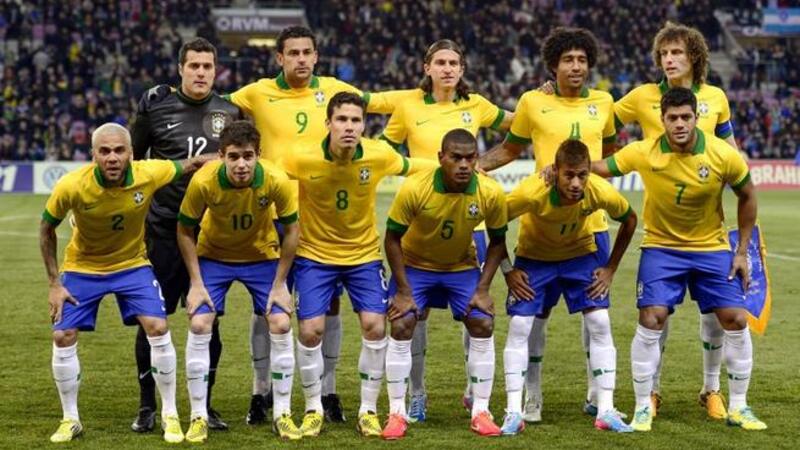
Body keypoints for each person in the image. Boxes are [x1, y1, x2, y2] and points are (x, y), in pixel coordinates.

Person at [227, 26, 410, 423]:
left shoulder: (334, 90)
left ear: (316, 56)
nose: (301, 59)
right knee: (268, 305)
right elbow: (212, 103)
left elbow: (382, 101)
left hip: (318, 220)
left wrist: (429, 90)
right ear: (279, 58)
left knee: (329, 307)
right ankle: (261, 390)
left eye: (307, 52)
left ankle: (328, 392)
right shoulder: (256, 92)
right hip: (271, 216)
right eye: (292, 53)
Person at [592, 87, 765, 432]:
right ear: (663, 120)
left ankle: (739, 406)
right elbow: (601, 167)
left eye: (686, 117)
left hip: (711, 248)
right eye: (673, 118)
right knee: (651, 317)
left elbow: (747, 194)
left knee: (735, 319)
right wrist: (560, 165)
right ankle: (643, 406)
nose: (680, 124)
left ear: (696, 117)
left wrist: (742, 251)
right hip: (661, 248)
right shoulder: (643, 151)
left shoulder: (722, 154)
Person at [478, 27, 616, 422]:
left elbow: (609, 154)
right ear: (553, 65)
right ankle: (532, 395)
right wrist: (476, 166)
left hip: (592, 224)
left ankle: (596, 393)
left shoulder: (604, 102)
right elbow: (510, 148)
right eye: (567, 60)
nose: (576, 67)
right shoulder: (532, 101)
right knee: (535, 317)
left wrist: (588, 177)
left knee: (595, 311)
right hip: (541, 221)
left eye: (582, 60)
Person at [41, 123, 210, 443]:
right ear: (93, 155)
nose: (112, 157)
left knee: (158, 327)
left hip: (132, 266)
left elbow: (192, 163)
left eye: (119, 150)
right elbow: (46, 228)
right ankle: (70, 419)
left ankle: (170, 414)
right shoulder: (72, 185)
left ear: (131, 154)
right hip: (82, 267)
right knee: (62, 335)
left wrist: (232, 157)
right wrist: (54, 283)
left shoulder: (149, 173)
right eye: (104, 151)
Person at [283, 92, 436, 438]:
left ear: (364, 125)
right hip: (314, 257)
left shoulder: (378, 154)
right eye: (342, 120)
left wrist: (467, 167)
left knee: (375, 327)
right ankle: (313, 409)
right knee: (310, 331)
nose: (349, 127)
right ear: (328, 124)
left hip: (363, 257)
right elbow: (267, 173)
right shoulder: (301, 157)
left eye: (355, 120)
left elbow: (414, 166)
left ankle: (368, 410)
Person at [380, 39, 514, 420]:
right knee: (414, 316)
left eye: (454, 62)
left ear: (462, 69)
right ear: (427, 68)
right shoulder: (408, 106)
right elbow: (385, 152)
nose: (447, 69)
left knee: (472, 309)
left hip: (469, 220)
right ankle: (417, 392)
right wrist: (415, 170)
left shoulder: (477, 105)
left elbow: (519, 126)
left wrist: (483, 164)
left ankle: (474, 389)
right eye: (440, 62)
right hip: (421, 216)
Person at [613, 22, 740, 418]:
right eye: (664, 54)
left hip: (708, 230)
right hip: (662, 230)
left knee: (714, 312)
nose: (668, 60)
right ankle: (652, 391)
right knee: (657, 312)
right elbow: (599, 122)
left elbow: (732, 154)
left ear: (694, 57)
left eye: (677, 53)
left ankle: (711, 389)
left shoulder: (716, 98)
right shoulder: (642, 96)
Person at [130, 36, 241, 433]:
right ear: (180, 69)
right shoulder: (155, 107)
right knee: (152, 320)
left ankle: (204, 405)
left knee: (208, 322)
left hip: (210, 236)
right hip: (162, 230)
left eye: (207, 66)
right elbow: (134, 164)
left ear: (216, 70)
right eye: (194, 65)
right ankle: (147, 406)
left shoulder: (230, 111)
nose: (201, 72)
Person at [500, 139, 637, 435]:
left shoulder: (598, 190)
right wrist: (508, 270)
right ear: (555, 171)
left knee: (600, 321)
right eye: (569, 175)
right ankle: (515, 410)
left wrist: (610, 268)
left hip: (579, 256)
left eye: (582, 175)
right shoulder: (531, 191)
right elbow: (495, 222)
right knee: (521, 325)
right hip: (535, 259)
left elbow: (629, 219)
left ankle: (605, 409)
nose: (576, 183)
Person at [176, 121, 300, 442]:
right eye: (233, 157)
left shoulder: (276, 179)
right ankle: (198, 417)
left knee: (281, 323)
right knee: (199, 323)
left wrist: (280, 284)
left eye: (248, 156)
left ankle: (282, 414)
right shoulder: (204, 181)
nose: (241, 164)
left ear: (258, 154)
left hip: (261, 257)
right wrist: (195, 283)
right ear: (221, 156)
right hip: (213, 257)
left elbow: (292, 232)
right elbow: (184, 230)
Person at [382, 129, 509, 439]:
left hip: (460, 268)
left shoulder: (490, 192)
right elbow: (392, 239)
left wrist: (483, 289)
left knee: (482, 321)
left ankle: (481, 411)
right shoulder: (417, 187)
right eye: (456, 158)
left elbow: (498, 242)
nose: (463, 165)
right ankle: (397, 412)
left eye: (470, 158)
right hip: (416, 266)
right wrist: (403, 291)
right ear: (441, 158)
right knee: (402, 322)